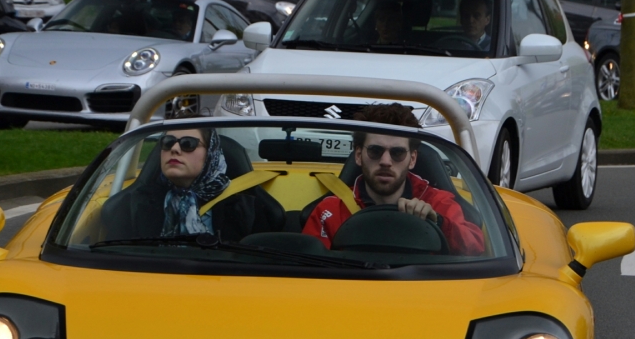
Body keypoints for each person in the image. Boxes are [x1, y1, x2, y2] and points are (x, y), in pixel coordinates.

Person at [302, 105, 485, 255]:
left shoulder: (438, 203)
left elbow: (476, 247)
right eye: (375, 151)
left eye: (397, 153)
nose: (385, 161)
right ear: (358, 155)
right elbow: (307, 268)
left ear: (412, 159)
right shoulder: (331, 209)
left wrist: (438, 222)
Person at [100, 126, 284, 241]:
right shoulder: (134, 203)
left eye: (188, 144)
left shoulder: (248, 208)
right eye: (168, 142)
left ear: (211, 154)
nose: (175, 149)